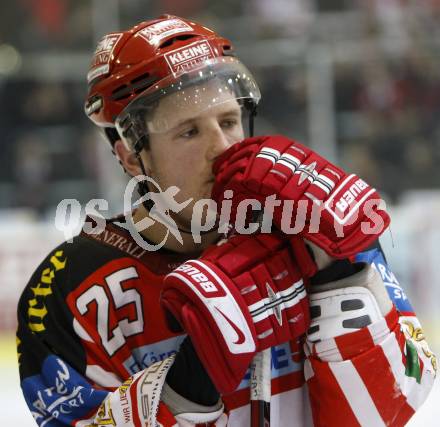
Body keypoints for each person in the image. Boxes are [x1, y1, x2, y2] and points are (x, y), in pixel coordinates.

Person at [17, 14, 436, 427]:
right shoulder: (69, 288)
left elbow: (393, 406)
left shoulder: (313, 227)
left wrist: (340, 272)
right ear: (130, 155)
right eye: (189, 132)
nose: (220, 147)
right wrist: (195, 369)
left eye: (229, 121)